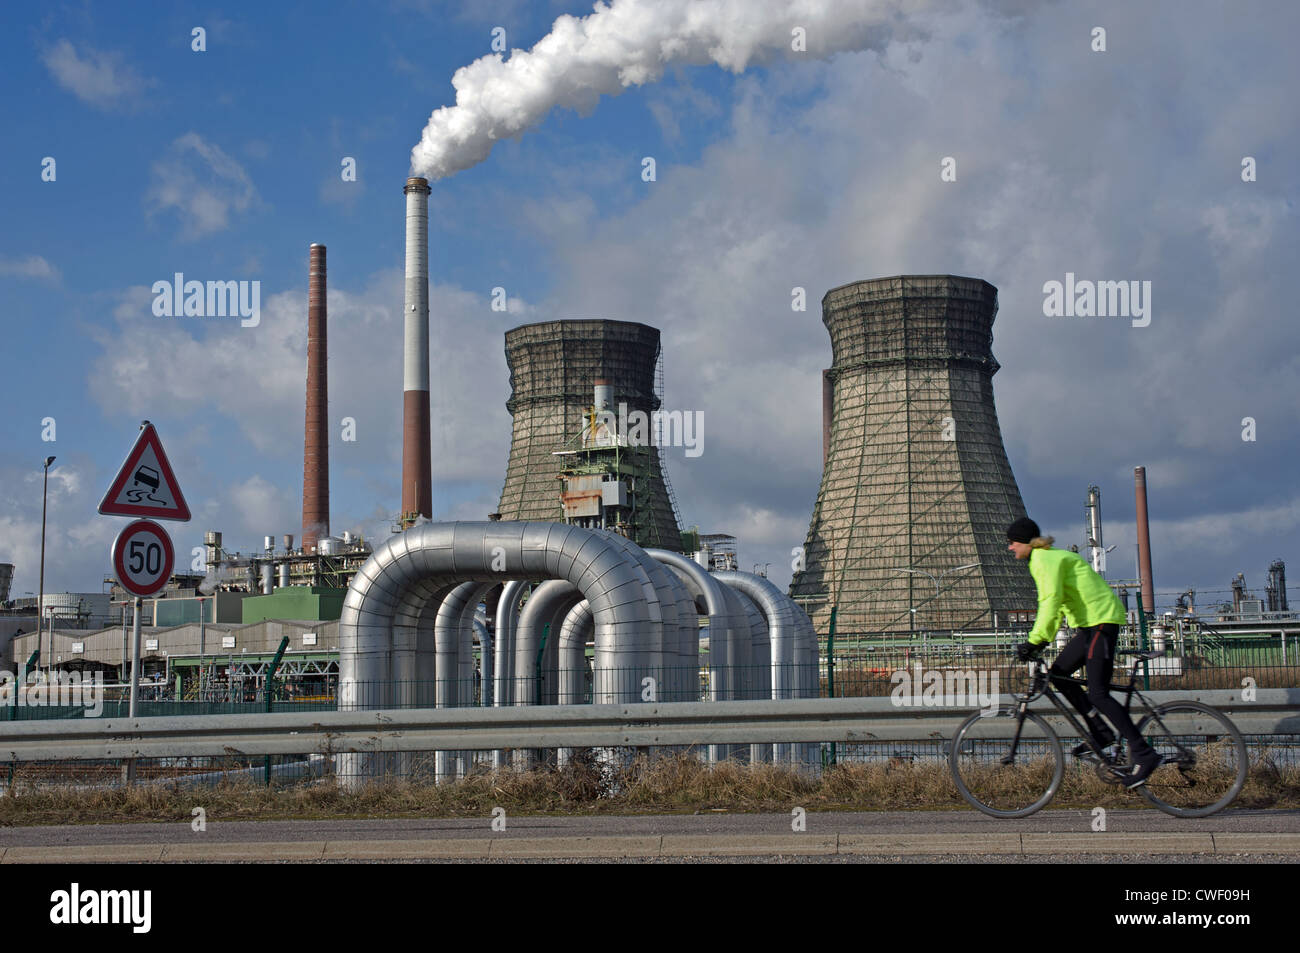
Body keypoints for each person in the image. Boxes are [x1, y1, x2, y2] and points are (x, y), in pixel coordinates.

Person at [1006, 517, 1163, 789]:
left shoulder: (1044, 561)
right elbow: (1055, 605)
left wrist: (1035, 641)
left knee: (1098, 693)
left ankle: (1144, 753)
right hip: (1090, 624)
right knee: (1058, 675)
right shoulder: (1046, 558)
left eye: (1012, 543)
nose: (1010, 548)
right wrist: (1040, 641)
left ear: (1024, 542)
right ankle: (1100, 732)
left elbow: (1049, 602)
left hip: (1101, 622)